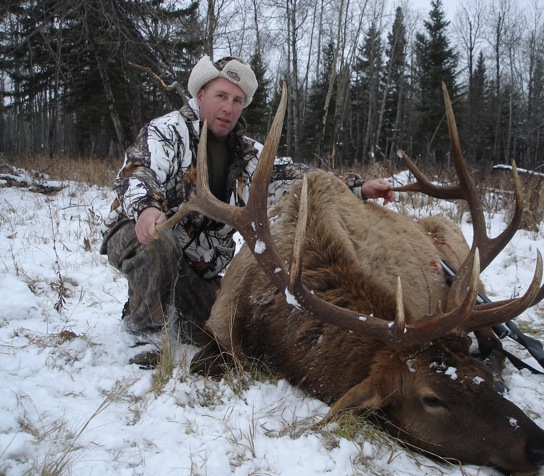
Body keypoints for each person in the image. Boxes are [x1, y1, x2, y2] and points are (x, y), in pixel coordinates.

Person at [100, 55, 394, 347]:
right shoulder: (166, 131)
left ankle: (163, 302)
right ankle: (144, 335)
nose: (229, 108)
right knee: (159, 247)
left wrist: (358, 187)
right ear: (200, 94)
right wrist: (147, 207)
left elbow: (296, 177)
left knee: (212, 332)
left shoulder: (249, 155)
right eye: (221, 96)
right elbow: (139, 169)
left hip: (195, 268)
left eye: (237, 100)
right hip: (140, 234)